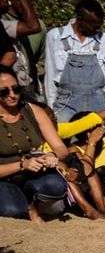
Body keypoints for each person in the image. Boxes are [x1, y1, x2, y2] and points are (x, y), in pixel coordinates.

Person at [0, 66, 68, 220]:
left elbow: (62, 149)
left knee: (56, 185)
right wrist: (22, 165)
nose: (12, 95)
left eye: (16, 89)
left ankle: (33, 204)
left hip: (33, 174)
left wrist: (51, 155)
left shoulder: (33, 110)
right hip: (4, 178)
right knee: (12, 211)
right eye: (4, 92)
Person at [44, 0, 105, 122]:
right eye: (93, 26)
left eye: (99, 26)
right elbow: (50, 76)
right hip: (65, 104)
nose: (97, 30)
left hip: (97, 103)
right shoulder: (55, 36)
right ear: (79, 19)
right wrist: (51, 108)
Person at [2, 0, 44, 99]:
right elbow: (32, 27)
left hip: (29, 90)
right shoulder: (3, 21)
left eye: (30, 0)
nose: (26, 3)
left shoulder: (41, 26)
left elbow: (41, 60)